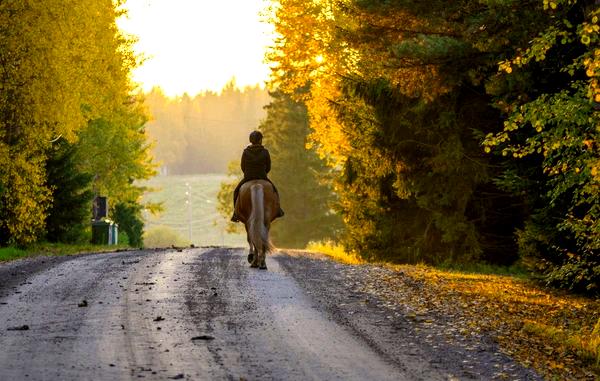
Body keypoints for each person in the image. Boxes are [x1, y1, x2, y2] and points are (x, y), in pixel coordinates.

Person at [231, 130, 284, 222]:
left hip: (248, 177)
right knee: (275, 191)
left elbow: (242, 166)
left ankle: (235, 214)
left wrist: (248, 174)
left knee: (236, 192)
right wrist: (263, 174)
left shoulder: (246, 152)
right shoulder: (265, 152)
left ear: (251, 140)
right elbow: (268, 167)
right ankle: (278, 210)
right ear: (260, 140)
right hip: (262, 176)